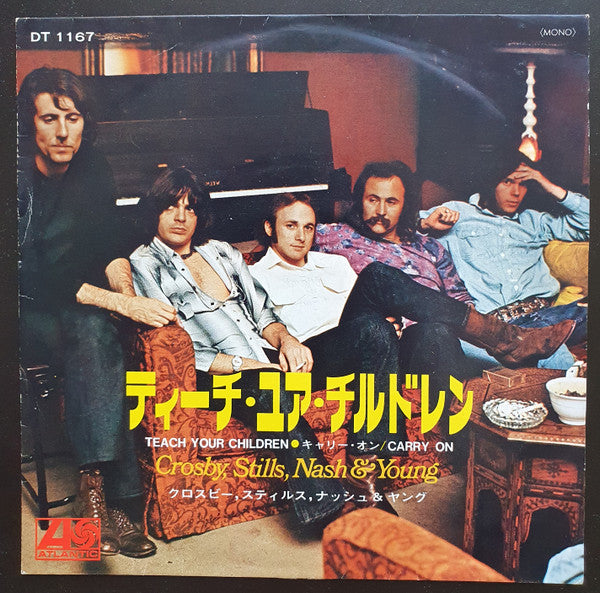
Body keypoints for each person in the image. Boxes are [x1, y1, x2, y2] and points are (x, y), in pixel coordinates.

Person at [18, 68, 174, 557]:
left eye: (73, 117)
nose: (64, 132)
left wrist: (127, 296)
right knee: (94, 329)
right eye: (49, 119)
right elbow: (31, 275)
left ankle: (94, 498)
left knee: (100, 334)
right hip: (24, 310)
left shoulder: (92, 165)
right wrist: (119, 302)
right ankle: (117, 504)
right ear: (28, 123)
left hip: (76, 304)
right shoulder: (14, 177)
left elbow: (110, 243)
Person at [250, 193, 574, 419]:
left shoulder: (333, 263)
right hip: (316, 358)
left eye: (308, 227)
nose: (301, 236)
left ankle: (455, 434)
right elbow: (255, 338)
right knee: (377, 274)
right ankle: (503, 338)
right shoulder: (252, 277)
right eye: (290, 226)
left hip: (370, 343)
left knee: (433, 331)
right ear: (269, 228)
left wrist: (386, 321)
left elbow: (362, 305)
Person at [314, 160, 580, 371]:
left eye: (391, 202)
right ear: (359, 200)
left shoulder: (430, 247)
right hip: (379, 339)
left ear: (404, 206)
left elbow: (460, 299)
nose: (381, 210)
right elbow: (293, 220)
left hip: (435, 340)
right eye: (372, 199)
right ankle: (504, 339)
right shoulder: (335, 235)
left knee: (552, 351)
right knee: (380, 275)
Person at [418, 150, 589, 369]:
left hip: (546, 316)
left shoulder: (533, 221)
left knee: (555, 336)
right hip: (496, 328)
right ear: (490, 181)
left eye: (523, 184)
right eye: (507, 182)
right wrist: (425, 225)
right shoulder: (459, 213)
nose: (516, 192)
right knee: (556, 355)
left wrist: (544, 182)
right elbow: (401, 229)